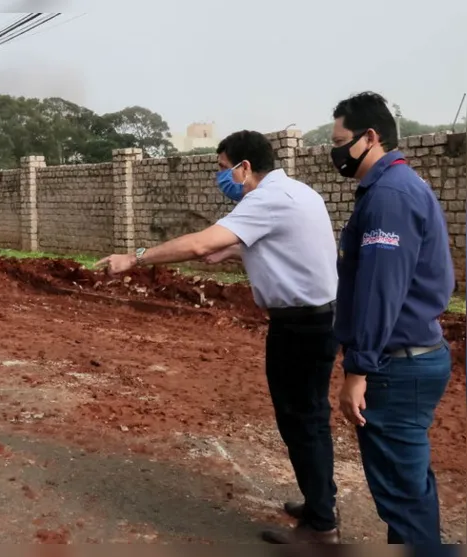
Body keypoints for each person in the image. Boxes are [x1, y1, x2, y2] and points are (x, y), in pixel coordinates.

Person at [96, 130, 341, 544]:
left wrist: (133, 258)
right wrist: (235, 250)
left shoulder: (264, 199)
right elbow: (292, 246)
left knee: (300, 420)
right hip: (320, 319)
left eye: (223, 169)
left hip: (299, 326)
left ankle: (321, 525)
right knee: (310, 416)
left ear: (245, 168)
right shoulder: (302, 193)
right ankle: (321, 503)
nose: (221, 177)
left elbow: (197, 244)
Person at [331, 92, 454, 545]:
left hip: (395, 365)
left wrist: (359, 369)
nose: (336, 152)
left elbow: (380, 291)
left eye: (341, 141)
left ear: (370, 137)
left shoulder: (389, 197)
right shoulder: (396, 187)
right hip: (412, 355)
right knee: (409, 486)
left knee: (402, 494)